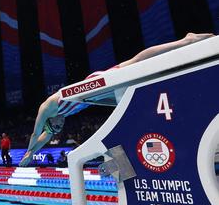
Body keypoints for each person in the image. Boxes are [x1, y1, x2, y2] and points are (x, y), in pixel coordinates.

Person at [19, 33, 214, 166]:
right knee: (131, 97)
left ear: (51, 121)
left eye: (59, 124)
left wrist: (29, 152)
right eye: (61, 126)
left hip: (93, 86)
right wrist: (33, 152)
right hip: (95, 95)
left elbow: (37, 135)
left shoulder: (47, 108)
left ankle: (185, 42)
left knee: (133, 63)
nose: (62, 122)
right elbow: (45, 137)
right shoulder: (56, 121)